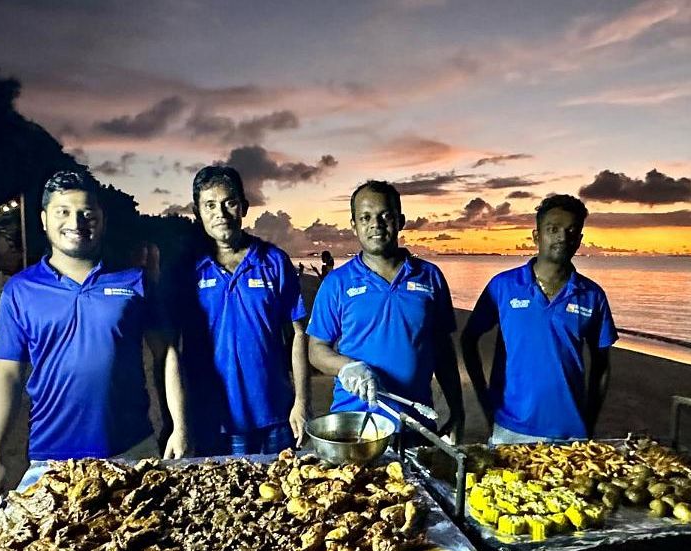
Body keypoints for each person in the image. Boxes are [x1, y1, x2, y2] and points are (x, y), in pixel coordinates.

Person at [0, 170, 187, 503]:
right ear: (45, 220)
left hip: (132, 448)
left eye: (87, 213)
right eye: (63, 212)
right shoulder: (20, 290)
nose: (76, 222)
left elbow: (167, 355)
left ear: (101, 220)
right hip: (52, 457)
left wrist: (179, 426)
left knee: (137, 549)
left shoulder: (135, 281)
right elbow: (7, 374)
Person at [306, 180, 464, 440]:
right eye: (365, 217)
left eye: (385, 216)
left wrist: (457, 411)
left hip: (417, 425)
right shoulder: (337, 282)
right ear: (354, 225)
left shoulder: (430, 276)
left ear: (400, 221)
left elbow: (443, 351)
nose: (375, 224)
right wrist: (346, 367)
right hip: (356, 426)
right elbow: (316, 349)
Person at [460, 194, 617, 444]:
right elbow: (469, 340)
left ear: (579, 240)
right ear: (536, 236)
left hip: (571, 433)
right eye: (553, 229)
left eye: (571, 230)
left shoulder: (592, 295)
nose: (562, 237)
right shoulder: (503, 286)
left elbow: (602, 365)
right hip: (510, 428)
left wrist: (589, 421)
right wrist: (485, 399)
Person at [181, 165, 310, 455]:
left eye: (230, 203)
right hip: (213, 419)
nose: (221, 214)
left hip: (275, 414)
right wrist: (179, 423)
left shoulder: (274, 261)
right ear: (197, 210)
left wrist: (301, 403)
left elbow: (299, 334)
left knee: (278, 496)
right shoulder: (186, 268)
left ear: (244, 207)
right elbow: (170, 350)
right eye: (210, 205)